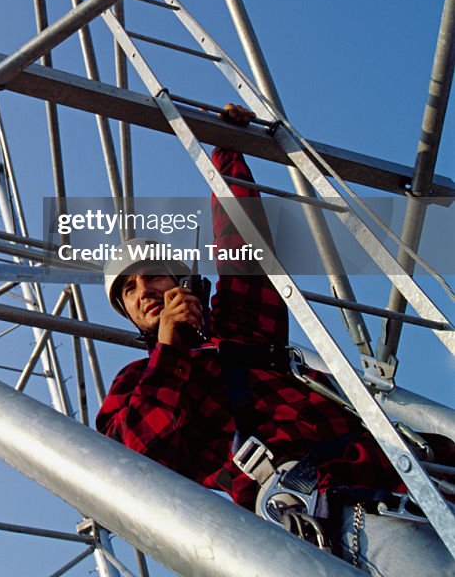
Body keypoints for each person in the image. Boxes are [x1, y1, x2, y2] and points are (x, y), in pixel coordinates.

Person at [96, 104, 455, 574]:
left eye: (153, 276)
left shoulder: (239, 331)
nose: (144, 290)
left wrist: (228, 149)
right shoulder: (137, 381)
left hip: (413, 472)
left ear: (182, 281)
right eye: (129, 288)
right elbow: (132, 462)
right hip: (332, 511)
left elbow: (246, 246)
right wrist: (170, 350)